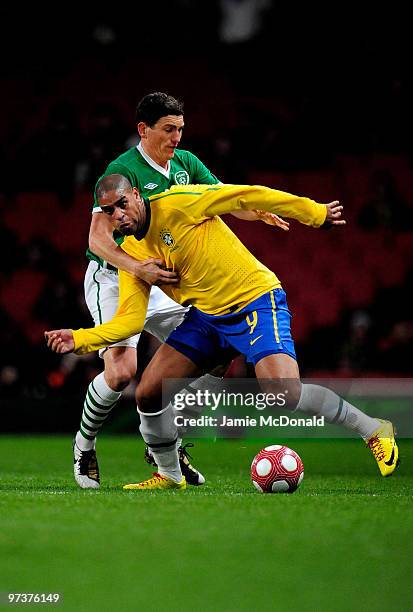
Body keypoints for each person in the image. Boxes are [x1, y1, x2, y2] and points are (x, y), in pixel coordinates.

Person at [46, 176, 399, 490]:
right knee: (149, 393)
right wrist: (80, 338)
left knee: (284, 392)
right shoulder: (132, 256)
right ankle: (169, 475)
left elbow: (247, 195)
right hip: (206, 319)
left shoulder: (180, 201)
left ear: (137, 195)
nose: (119, 214)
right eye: (109, 211)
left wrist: (314, 213)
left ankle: (373, 429)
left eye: (122, 203)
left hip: (254, 301)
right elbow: (130, 322)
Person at [77, 92, 287, 490]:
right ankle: (84, 444)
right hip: (116, 276)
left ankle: (166, 443)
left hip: (161, 279)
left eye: (181, 129)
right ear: (144, 129)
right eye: (169, 129)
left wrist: (256, 211)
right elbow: (99, 239)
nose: (177, 137)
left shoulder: (186, 164)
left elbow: (224, 199)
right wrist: (138, 267)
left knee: (214, 356)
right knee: (122, 373)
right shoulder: (122, 172)